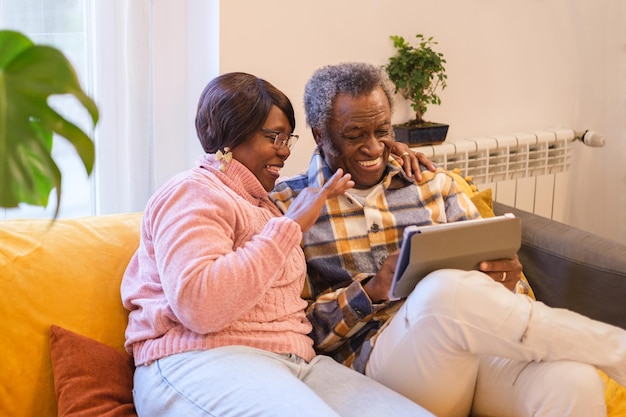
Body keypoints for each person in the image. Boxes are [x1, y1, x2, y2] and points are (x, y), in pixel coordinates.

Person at [270, 62, 626, 417]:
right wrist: (373, 289)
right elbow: (300, 332)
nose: (374, 146)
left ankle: (595, 357)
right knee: (441, 292)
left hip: (476, 354)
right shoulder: (289, 207)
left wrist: (506, 281)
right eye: (354, 134)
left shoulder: (432, 184)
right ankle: (613, 349)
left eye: (383, 130)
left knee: (574, 382)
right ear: (320, 134)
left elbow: (501, 296)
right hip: (385, 367)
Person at [120, 72, 435, 417]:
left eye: (288, 139)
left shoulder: (265, 204)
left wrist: (391, 150)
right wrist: (289, 228)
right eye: (275, 138)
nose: (285, 152)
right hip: (200, 358)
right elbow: (199, 305)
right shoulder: (192, 191)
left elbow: (338, 150)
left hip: (296, 363)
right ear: (230, 135)